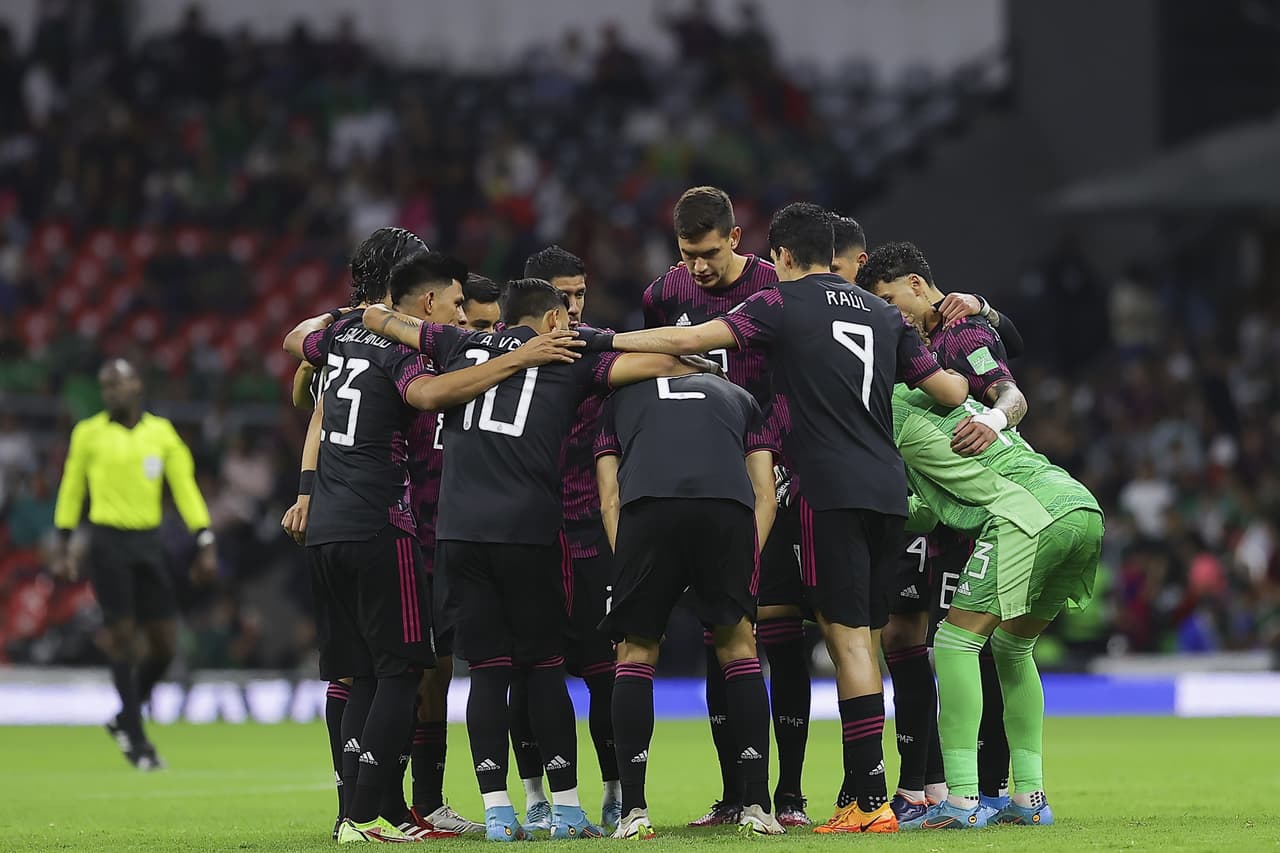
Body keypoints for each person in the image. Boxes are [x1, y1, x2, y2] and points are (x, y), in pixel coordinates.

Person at [583, 202, 970, 834]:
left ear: (782, 257)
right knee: (867, 638)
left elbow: (687, 341)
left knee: (840, 639)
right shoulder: (883, 314)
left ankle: (868, 802)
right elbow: (950, 391)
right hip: (888, 489)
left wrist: (601, 339)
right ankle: (858, 794)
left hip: (825, 485)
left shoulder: (781, 303)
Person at [361, 278, 719, 841]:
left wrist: (362, 316)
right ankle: (569, 810)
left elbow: (385, 322)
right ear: (554, 319)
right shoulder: (567, 360)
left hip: (457, 533)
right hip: (526, 530)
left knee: (486, 672)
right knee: (544, 666)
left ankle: (499, 812)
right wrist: (697, 363)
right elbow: (654, 366)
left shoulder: (455, 345)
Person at [283, 257, 582, 844]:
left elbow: (302, 359)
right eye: (459, 310)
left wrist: (307, 487)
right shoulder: (418, 356)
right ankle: (367, 810)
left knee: (396, 670)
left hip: (397, 522)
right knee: (400, 670)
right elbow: (423, 397)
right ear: (429, 306)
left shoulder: (347, 334)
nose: (470, 325)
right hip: (396, 520)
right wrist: (517, 355)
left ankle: (400, 807)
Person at [640, 186, 811, 828]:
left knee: (779, 633)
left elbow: (797, 377)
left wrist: (780, 459)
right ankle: (737, 792)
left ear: (736, 238)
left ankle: (787, 793)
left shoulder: (774, 288)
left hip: (773, 478)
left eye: (708, 253)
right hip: (704, 482)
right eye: (688, 255)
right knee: (722, 633)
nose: (698, 268)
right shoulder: (664, 296)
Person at [858, 241, 1030, 823]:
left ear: (916, 282)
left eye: (888, 298)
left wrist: (993, 416)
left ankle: (985, 787)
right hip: (927, 517)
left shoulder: (962, 333)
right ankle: (931, 784)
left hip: (975, 520)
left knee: (975, 647)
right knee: (916, 642)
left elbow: (1009, 387)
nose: (887, 311)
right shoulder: (905, 344)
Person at [890, 383, 1103, 829]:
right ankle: (1030, 797)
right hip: (1080, 506)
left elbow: (921, 515)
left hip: (1025, 515)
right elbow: (929, 511)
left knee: (954, 642)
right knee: (1012, 649)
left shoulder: (889, 409)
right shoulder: (965, 404)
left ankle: (963, 799)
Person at [595, 372, 783, 838]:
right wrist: (745, 560)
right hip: (725, 511)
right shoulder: (741, 395)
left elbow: (609, 499)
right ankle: (759, 805)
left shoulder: (619, 399)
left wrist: (632, 567)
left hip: (647, 510)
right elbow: (765, 494)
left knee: (636, 651)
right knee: (738, 647)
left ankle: (634, 811)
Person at [506, 245, 621, 834]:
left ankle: (616, 790)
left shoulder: (597, 348)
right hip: (528, 534)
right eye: (563, 296)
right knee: (532, 672)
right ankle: (535, 796)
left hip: (589, 532)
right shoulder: (503, 357)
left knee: (605, 671)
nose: (574, 307)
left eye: (580, 294)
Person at [52, 358, 217, 771]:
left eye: (117, 385)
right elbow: (72, 486)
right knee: (123, 637)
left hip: (149, 542)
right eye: (105, 387)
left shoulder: (161, 434)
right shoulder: (88, 433)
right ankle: (138, 739)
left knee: (164, 644)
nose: (111, 393)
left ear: (137, 386)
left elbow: (185, 489)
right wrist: (64, 541)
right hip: (107, 542)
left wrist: (205, 539)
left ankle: (125, 715)